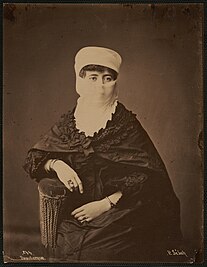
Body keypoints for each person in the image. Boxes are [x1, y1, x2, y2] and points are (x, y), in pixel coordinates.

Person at [23, 46, 183, 262]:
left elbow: (150, 178)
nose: (100, 86)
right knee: (65, 246)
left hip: (126, 208)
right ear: (79, 80)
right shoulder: (70, 123)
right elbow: (36, 157)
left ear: (115, 83)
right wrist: (57, 165)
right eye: (93, 78)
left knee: (101, 252)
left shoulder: (125, 123)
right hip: (80, 209)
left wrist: (105, 204)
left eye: (107, 78)